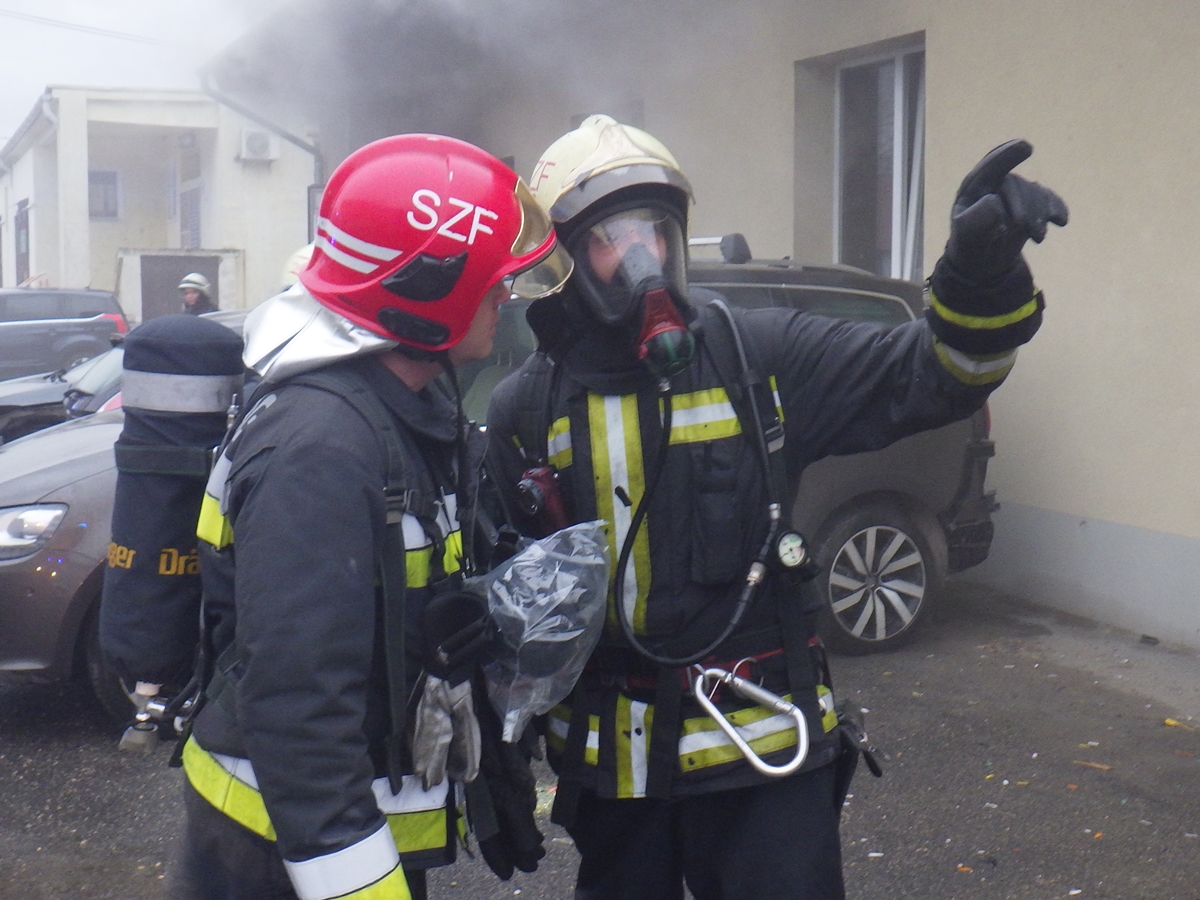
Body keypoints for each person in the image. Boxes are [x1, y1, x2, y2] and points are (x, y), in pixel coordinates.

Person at [484, 115, 1068, 899]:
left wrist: (978, 273)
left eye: (655, 232)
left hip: (762, 756)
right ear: (564, 264)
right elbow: (508, 610)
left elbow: (940, 371)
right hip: (616, 774)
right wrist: (496, 764)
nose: (640, 260)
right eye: (609, 240)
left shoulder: (759, 357)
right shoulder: (527, 408)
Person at [171, 134, 572, 900]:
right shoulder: (323, 451)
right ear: (432, 292)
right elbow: (298, 714)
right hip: (287, 861)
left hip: (326, 842)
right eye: (493, 282)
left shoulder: (397, 411)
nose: (506, 297)